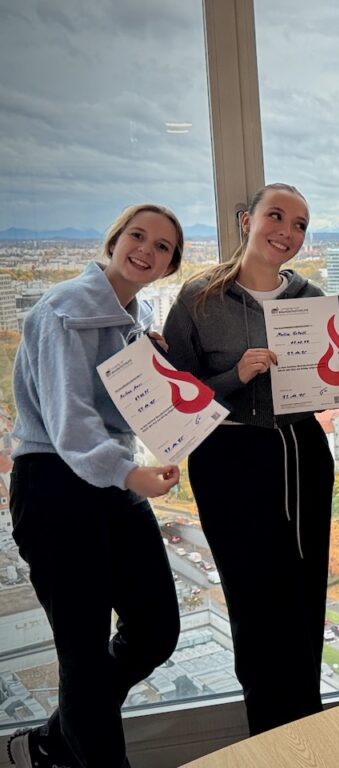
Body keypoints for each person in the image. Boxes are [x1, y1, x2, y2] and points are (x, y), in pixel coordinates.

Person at [162, 183, 339, 734]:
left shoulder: (312, 298)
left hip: (301, 452)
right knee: (252, 601)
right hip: (229, 456)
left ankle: (308, 726)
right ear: (247, 219)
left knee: (304, 596)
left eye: (300, 225)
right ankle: (269, 735)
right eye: (277, 216)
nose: (288, 232)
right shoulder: (199, 297)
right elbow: (178, 398)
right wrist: (237, 375)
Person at [7, 204, 184, 767]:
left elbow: (126, 408)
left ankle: (57, 740)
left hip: (109, 477)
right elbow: (70, 422)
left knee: (155, 628)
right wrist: (131, 474)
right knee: (82, 654)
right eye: (139, 236)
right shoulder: (63, 309)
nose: (147, 251)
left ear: (168, 265)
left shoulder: (135, 314)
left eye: (162, 247)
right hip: (54, 482)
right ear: (114, 239)